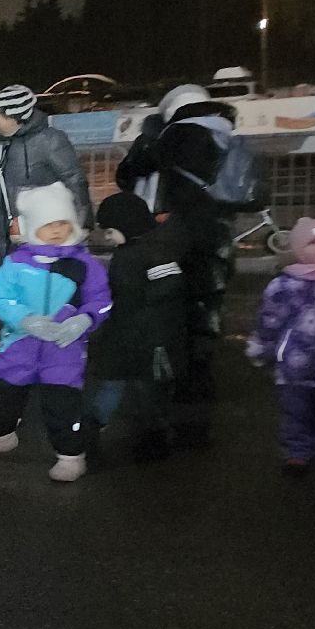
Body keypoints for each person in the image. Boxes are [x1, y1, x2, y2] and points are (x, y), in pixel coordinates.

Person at [0, 184, 111, 482]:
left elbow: (102, 300)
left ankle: (70, 454)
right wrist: (24, 320)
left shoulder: (84, 264)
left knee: (63, 402)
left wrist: (84, 320)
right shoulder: (16, 263)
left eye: (62, 223)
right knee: (3, 396)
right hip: (19, 344)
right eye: (48, 224)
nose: (56, 230)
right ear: (33, 227)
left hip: (64, 349)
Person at [114, 83, 241, 413]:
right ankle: (197, 393)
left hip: (167, 237)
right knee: (203, 314)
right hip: (215, 238)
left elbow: (127, 176)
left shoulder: (163, 141)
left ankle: (162, 386)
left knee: (162, 310)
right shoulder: (226, 138)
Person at [85, 192, 188, 462]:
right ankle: (96, 427)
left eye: (110, 230)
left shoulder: (152, 251)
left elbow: (170, 282)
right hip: (128, 332)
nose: (107, 237)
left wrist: (137, 300)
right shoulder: (133, 251)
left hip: (146, 335)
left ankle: (148, 435)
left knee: (141, 389)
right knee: (124, 385)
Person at [0, 84, 89, 286]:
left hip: (38, 231)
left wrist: (81, 224)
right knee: (2, 290)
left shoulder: (50, 141)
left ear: (14, 115)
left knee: (36, 289)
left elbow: (75, 181)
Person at [246, 217, 315, 474]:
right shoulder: (285, 285)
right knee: (296, 412)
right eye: (312, 242)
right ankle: (296, 452)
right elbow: (269, 320)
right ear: (297, 249)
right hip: (296, 365)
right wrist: (262, 347)